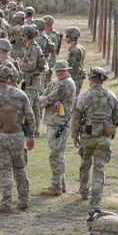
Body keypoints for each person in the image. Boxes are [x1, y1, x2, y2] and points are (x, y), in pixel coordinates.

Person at [0, 65, 36, 213]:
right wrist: (31, 135)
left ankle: (6, 202)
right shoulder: (21, 95)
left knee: (3, 170)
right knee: (20, 168)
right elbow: (30, 117)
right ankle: (24, 200)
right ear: (10, 78)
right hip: (18, 136)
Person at [72, 67, 118, 207]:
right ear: (103, 80)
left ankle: (83, 191)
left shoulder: (83, 96)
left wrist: (75, 136)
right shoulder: (112, 96)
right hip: (104, 137)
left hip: (87, 137)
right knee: (99, 167)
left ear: (90, 79)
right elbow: (117, 116)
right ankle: (96, 197)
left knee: (85, 164)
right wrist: (111, 127)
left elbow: (76, 118)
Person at [38, 59, 77, 196]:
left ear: (68, 70)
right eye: (58, 71)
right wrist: (45, 99)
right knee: (58, 153)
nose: (59, 73)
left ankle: (56, 186)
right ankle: (60, 184)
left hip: (59, 123)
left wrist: (44, 100)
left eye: (62, 70)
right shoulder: (56, 82)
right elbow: (45, 96)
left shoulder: (66, 84)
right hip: (54, 121)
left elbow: (49, 98)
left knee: (55, 155)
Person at [18, 25, 46, 136]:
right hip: (31, 79)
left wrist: (21, 64)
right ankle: (34, 129)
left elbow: (31, 66)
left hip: (33, 79)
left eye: (23, 34)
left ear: (28, 35)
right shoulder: (30, 47)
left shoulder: (33, 48)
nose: (22, 36)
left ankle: (29, 129)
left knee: (28, 104)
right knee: (34, 106)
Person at [66, 27, 87, 94]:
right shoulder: (80, 47)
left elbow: (70, 65)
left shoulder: (74, 50)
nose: (65, 38)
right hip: (78, 75)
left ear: (72, 37)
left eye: (67, 36)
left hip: (75, 77)